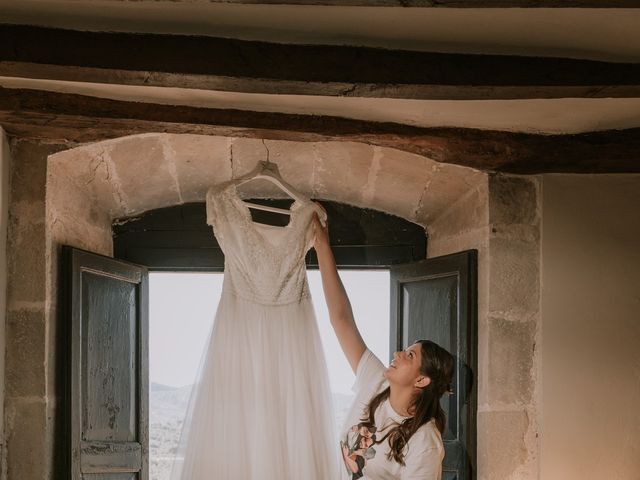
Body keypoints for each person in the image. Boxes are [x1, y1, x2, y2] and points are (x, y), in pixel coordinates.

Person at [311, 205, 455, 480]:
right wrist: (322, 247)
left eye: (410, 356)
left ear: (422, 380)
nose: (398, 354)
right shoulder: (375, 382)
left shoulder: (424, 440)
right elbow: (341, 320)